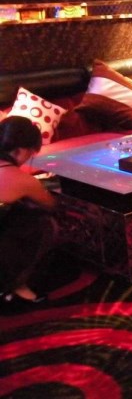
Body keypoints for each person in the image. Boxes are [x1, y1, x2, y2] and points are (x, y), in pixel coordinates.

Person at [0, 116, 58, 306]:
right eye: (31, 153)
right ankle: (15, 286)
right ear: (19, 150)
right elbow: (51, 204)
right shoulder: (21, 179)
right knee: (44, 224)